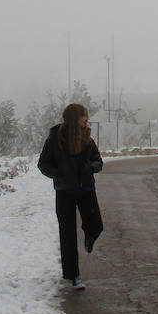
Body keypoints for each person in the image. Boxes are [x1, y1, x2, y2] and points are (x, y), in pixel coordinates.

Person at [37, 102, 104, 290]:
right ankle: (73, 276)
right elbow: (43, 164)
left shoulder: (87, 139)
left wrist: (91, 168)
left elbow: (98, 161)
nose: (86, 119)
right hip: (65, 191)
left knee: (96, 225)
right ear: (75, 117)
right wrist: (60, 174)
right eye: (84, 115)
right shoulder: (55, 139)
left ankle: (90, 236)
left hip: (86, 190)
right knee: (67, 235)